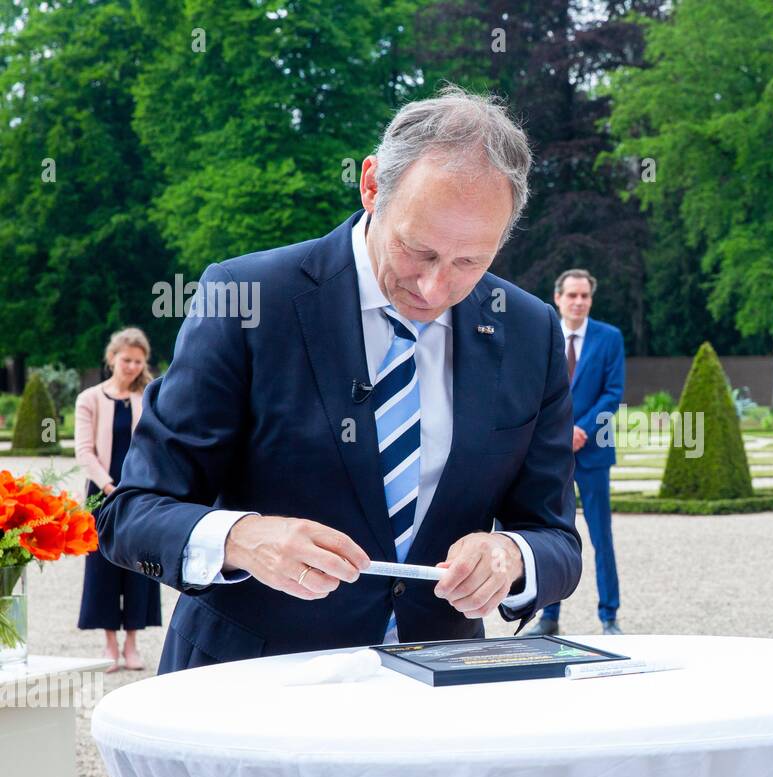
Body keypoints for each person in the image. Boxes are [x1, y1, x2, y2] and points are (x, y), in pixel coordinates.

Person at [96, 85, 582, 673]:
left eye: (470, 262)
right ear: (372, 185)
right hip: (252, 687)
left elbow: (556, 539)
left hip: (441, 701)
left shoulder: (531, 332)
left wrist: (512, 556)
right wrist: (242, 538)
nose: (434, 290)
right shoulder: (246, 300)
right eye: (417, 250)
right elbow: (131, 514)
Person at [524, 269, 625, 636]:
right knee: (553, 536)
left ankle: (609, 616)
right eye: (572, 295)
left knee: (601, 537)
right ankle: (548, 617)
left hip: (593, 453)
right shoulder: (543, 334)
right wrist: (559, 434)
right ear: (558, 298)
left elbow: (613, 393)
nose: (579, 302)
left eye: (584, 296)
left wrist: (581, 429)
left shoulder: (609, 338)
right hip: (554, 455)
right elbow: (534, 389)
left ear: (590, 300)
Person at [74, 328, 162, 671]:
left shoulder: (150, 396)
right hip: (103, 492)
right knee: (103, 566)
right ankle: (109, 642)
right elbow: (84, 451)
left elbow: (157, 445)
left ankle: (132, 643)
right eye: (126, 360)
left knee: (141, 564)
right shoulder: (90, 398)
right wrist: (110, 486)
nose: (132, 367)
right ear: (112, 358)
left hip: (141, 491)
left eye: (138, 362)